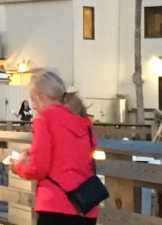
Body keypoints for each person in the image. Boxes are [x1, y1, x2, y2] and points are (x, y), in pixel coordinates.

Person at [10, 68, 99, 224]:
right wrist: (36, 150)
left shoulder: (44, 119)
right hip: (86, 206)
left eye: (34, 100)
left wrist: (18, 167)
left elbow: (38, 169)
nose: (34, 106)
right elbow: (83, 153)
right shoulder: (82, 119)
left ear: (41, 96)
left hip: (55, 205)